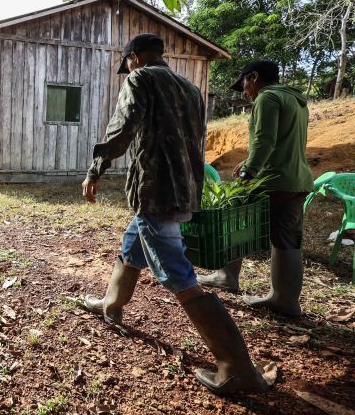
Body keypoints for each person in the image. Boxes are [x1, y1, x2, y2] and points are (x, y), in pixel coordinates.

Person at [81, 34, 267, 395]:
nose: (129, 69)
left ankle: (237, 368)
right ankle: (111, 304)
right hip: (184, 189)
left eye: (128, 64)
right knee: (133, 243)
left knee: (179, 275)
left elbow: (122, 131)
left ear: (134, 58)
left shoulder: (141, 78)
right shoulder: (189, 88)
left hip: (157, 192)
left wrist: (95, 170)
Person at [197, 61, 314, 316]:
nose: (246, 92)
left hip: (270, 179)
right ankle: (286, 300)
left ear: (254, 77)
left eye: (245, 85)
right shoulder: (295, 100)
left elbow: (265, 139)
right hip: (297, 180)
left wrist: (250, 171)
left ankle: (226, 276)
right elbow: (283, 142)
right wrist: (249, 161)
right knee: (287, 239)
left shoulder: (268, 98)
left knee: (232, 219)